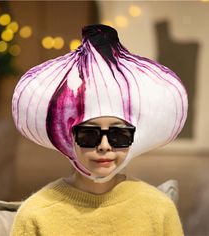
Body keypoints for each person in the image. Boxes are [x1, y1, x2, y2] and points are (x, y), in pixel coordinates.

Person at [10, 24, 188, 235]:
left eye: (119, 135)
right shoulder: (35, 214)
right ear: (68, 138)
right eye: (89, 134)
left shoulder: (159, 209)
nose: (104, 146)